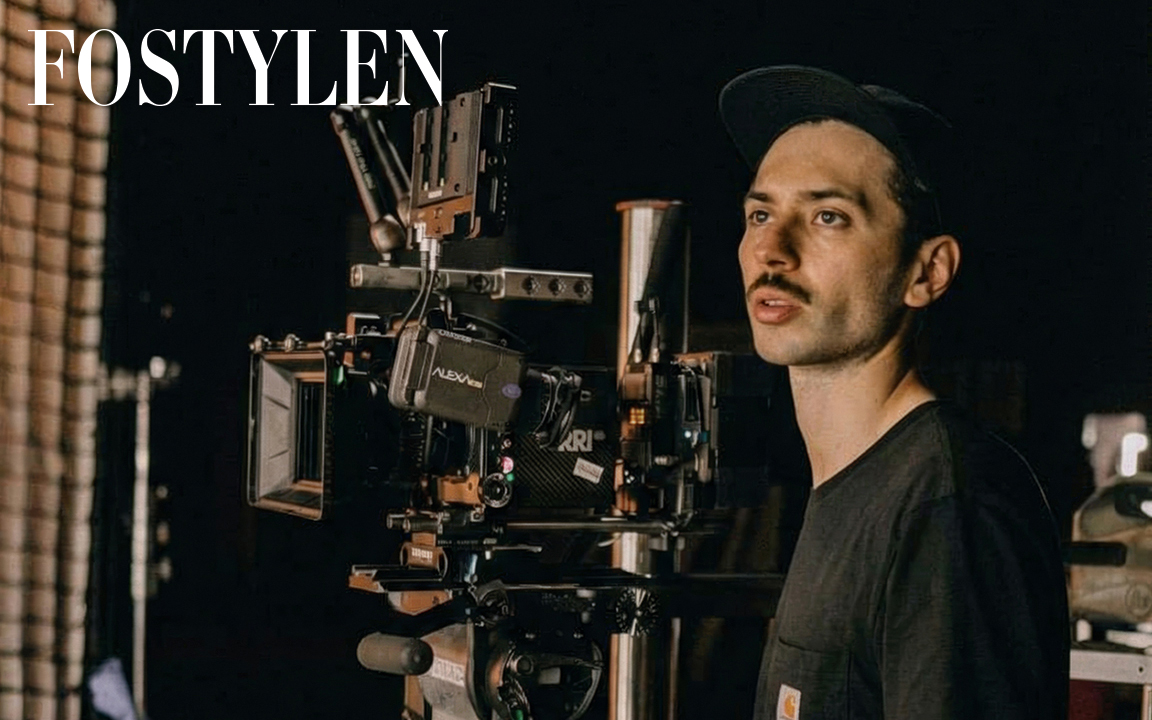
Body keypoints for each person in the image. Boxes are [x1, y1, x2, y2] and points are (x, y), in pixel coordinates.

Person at [718, 66, 1068, 719]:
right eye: (760, 213)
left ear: (926, 272)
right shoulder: (854, 486)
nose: (771, 249)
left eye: (828, 216)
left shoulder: (947, 506)